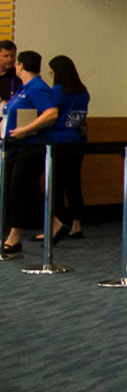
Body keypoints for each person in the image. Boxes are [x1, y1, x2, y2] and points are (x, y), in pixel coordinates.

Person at [1, 50, 62, 252]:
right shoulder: (23, 89)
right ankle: (55, 223)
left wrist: (25, 130)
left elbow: (51, 113)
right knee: (22, 191)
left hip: (30, 147)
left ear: (20, 65)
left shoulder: (37, 88)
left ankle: (14, 237)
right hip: (14, 147)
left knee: (17, 191)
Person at [45, 55, 89, 240]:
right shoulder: (83, 91)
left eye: (52, 72)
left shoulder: (57, 91)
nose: (50, 75)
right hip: (77, 141)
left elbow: (50, 114)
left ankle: (57, 223)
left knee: (56, 184)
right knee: (74, 183)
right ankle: (77, 225)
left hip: (58, 140)